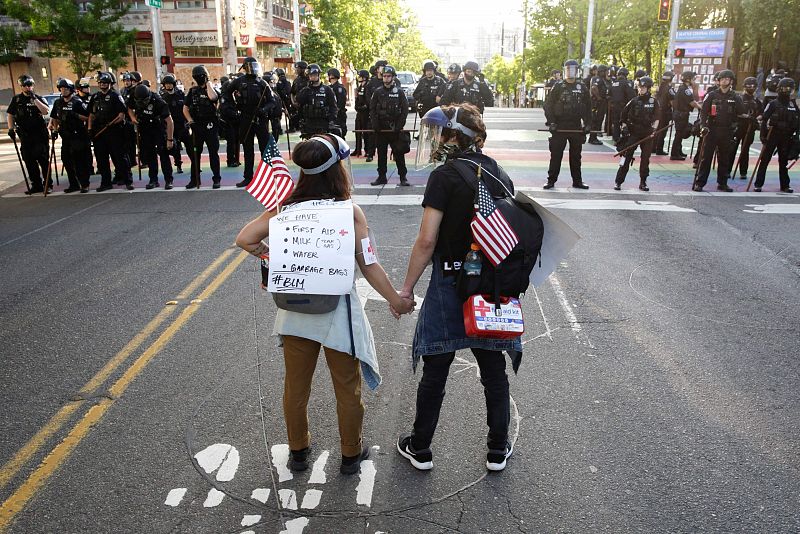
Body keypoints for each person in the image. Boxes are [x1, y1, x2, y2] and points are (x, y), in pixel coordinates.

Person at [235, 133, 414, 475]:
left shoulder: (285, 209)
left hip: (294, 311)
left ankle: (298, 450)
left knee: (295, 386)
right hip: (336, 314)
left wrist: (270, 255)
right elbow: (369, 264)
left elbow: (244, 238)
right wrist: (396, 300)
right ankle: (350, 453)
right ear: (338, 170)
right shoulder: (349, 211)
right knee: (347, 387)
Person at [395, 103, 517, 472]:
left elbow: (426, 241)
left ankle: (421, 447)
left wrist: (406, 289)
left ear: (453, 136)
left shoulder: (444, 177)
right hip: (489, 285)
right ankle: (497, 448)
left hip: (449, 281)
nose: (434, 140)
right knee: (492, 365)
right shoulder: (498, 173)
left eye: (439, 133)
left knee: (437, 366)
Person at [226, 56, 276, 188]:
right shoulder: (238, 81)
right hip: (245, 118)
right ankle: (248, 177)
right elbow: (226, 94)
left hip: (260, 118)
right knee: (248, 149)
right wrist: (233, 108)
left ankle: (268, 177)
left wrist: (264, 109)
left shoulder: (262, 83)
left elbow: (272, 101)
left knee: (264, 149)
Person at [543, 59, 592, 190]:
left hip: (576, 126)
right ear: (565, 71)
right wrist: (552, 122)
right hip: (560, 126)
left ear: (577, 71)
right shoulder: (558, 86)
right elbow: (548, 105)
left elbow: (588, 107)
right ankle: (551, 180)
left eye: (573, 69)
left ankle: (577, 181)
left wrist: (588, 124)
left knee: (576, 156)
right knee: (556, 155)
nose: (571, 72)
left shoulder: (582, 87)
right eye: (568, 69)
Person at [693, 70, 745, 192]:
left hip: (727, 131)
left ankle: (722, 183)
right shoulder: (712, 95)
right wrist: (703, 126)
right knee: (706, 158)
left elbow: (741, 112)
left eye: (727, 79)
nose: (724, 81)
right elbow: (704, 112)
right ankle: (700, 183)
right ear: (719, 81)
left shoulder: (735, 97)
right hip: (712, 130)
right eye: (722, 79)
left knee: (724, 159)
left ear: (731, 81)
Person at [613, 76, 660, 191]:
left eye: (643, 87)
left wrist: (653, 131)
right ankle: (618, 181)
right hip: (633, 133)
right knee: (626, 156)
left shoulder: (654, 102)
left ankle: (643, 182)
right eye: (639, 87)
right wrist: (624, 128)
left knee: (645, 159)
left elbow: (657, 118)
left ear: (648, 88)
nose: (641, 89)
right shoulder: (633, 101)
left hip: (647, 134)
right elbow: (623, 117)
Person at [7, 74, 51, 194]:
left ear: (33, 86)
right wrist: (11, 129)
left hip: (40, 135)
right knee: (29, 160)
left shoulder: (38, 97)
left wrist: (35, 99)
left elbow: (46, 111)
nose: (27, 88)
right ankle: (36, 184)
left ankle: (48, 183)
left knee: (43, 160)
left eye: (29, 85)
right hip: (25, 136)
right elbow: (10, 115)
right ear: (21, 87)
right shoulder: (16, 100)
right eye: (25, 86)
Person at [753, 77, 798, 193]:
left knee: (784, 162)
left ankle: (785, 185)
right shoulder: (773, 104)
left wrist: (796, 137)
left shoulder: (793, 105)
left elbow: (798, 123)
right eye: (784, 88)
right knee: (765, 160)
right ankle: (758, 184)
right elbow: (764, 119)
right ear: (779, 89)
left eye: (789, 88)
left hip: (786, 137)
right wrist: (763, 136)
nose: (787, 91)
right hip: (772, 135)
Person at [89, 72, 132, 191]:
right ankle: (105, 182)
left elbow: (121, 115)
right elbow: (91, 115)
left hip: (114, 131)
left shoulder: (115, 96)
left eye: (105, 83)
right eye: (101, 83)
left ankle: (127, 180)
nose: (103, 85)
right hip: (99, 132)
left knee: (119, 157)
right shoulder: (95, 97)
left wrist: (111, 124)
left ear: (110, 84)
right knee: (101, 159)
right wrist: (89, 129)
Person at [48, 78, 91, 193]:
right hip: (65, 136)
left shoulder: (78, 102)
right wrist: (55, 130)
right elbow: (55, 117)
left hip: (78, 135)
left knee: (79, 161)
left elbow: (88, 117)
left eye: (66, 88)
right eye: (61, 88)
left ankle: (84, 184)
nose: (63, 91)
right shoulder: (58, 102)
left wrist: (75, 115)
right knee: (66, 160)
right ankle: (73, 184)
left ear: (71, 89)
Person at [128, 84, 174, 189]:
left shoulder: (159, 101)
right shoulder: (133, 96)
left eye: (144, 101)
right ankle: (153, 180)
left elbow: (170, 122)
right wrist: (133, 118)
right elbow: (129, 108)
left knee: (163, 154)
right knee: (150, 155)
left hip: (158, 127)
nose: (142, 103)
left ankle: (168, 180)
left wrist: (169, 140)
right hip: (144, 128)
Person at [369, 65, 409, 186]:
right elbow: (372, 109)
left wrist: (399, 126)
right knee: (381, 154)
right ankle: (382, 177)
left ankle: (403, 177)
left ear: (393, 77)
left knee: (399, 153)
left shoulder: (399, 92)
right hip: (381, 129)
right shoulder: (378, 92)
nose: (386, 78)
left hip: (395, 128)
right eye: (384, 76)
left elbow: (405, 110)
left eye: (388, 76)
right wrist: (375, 124)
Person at [183, 65, 222, 189]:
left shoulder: (212, 89)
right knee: (195, 154)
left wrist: (208, 84)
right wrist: (190, 121)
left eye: (201, 76)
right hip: (197, 126)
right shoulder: (193, 91)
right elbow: (185, 108)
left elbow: (213, 98)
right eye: (197, 77)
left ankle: (216, 179)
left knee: (213, 153)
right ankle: (194, 180)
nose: (199, 79)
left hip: (210, 126)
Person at [729, 76, 763, 180]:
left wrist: (757, 118)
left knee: (745, 150)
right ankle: (727, 170)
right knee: (732, 149)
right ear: (744, 86)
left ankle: (743, 171)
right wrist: (746, 116)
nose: (751, 88)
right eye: (749, 86)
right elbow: (734, 113)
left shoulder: (757, 101)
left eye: (753, 86)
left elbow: (762, 113)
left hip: (750, 128)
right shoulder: (739, 98)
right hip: (739, 127)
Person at [160, 73, 192, 175]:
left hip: (183, 125)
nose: (168, 86)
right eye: (166, 84)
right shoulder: (162, 98)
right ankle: (178, 165)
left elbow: (188, 108)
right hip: (171, 127)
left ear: (174, 84)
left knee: (190, 146)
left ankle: (195, 164)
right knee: (176, 148)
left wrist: (188, 121)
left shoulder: (181, 95)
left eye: (170, 84)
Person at [297, 63, 338, 138]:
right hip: (309, 124)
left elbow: (333, 106)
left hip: (323, 124)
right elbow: (299, 101)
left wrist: (331, 120)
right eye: (310, 76)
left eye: (314, 75)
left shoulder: (327, 90)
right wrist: (307, 88)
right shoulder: (306, 90)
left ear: (318, 75)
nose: (312, 77)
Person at [670, 70, 701, 160]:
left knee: (680, 133)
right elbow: (692, 103)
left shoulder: (682, 88)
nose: (694, 81)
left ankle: (678, 151)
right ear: (688, 79)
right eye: (693, 79)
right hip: (681, 114)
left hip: (679, 114)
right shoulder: (686, 90)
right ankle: (675, 154)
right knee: (679, 134)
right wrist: (701, 108)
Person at [218, 76, 241, 167]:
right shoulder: (224, 97)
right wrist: (236, 114)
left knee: (237, 141)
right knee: (231, 142)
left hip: (235, 122)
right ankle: (230, 160)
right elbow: (225, 110)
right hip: (228, 123)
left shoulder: (233, 96)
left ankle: (236, 159)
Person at [608, 67, 635, 143]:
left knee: (616, 122)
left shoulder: (613, 83)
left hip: (614, 106)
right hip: (624, 106)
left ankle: (616, 138)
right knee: (625, 122)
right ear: (626, 75)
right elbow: (632, 96)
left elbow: (609, 95)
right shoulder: (626, 83)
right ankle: (624, 138)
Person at [652, 71, 675, 155]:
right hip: (665, 112)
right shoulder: (669, 89)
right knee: (662, 131)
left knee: (657, 130)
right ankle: (659, 149)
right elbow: (673, 102)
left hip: (657, 111)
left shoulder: (659, 87)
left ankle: (653, 147)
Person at [588, 64, 610, 144]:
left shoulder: (602, 79)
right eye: (605, 71)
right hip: (597, 103)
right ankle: (592, 138)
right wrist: (599, 98)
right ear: (602, 72)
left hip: (601, 103)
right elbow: (594, 88)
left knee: (599, 120)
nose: (607, 73)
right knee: (595, 120)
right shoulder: (597, 79)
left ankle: (594, 137)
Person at [353, 69, 371, 157]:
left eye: (360, 76)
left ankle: (367, 150)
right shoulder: (359, 87)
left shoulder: (368, 87)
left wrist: (362, 107)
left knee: (366, 132)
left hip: (366, 114)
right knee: (358, 131)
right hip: (359, 113)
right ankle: (358, 149)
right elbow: (358, 100)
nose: (358, 78)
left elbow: (368, 102)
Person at [326, 68, 348, 138]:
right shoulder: (329, 88)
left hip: (339, 116)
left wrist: (334, 113)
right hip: (332, 116)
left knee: (339, 135)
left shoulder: (339, 88)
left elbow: (340, 104)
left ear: (331, 76)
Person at [289, 60, 310, 132]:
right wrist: (293, 103)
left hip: (309, 108)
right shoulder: (296, 80)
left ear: (303, 69)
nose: (296, 70)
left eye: (298, 68)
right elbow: (292, 93)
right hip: (299, 108)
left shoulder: (310, 79)